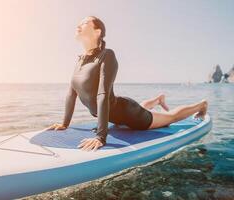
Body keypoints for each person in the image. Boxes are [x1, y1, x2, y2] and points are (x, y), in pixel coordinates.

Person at [47, 16, 208, 152]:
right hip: (116, 113)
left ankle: (201, 105)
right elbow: (71, 93)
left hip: (130, 114)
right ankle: (158, 100)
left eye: (84, 22)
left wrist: (101, 137)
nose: (78, 25)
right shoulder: (80, 60)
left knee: (170, 117)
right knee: (142, 108)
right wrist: (64, 124)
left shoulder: (106, 55)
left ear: (98, 32)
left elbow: (102, 94)